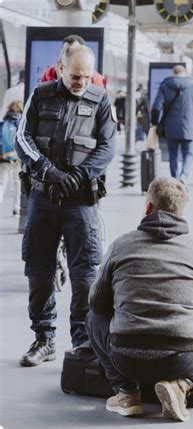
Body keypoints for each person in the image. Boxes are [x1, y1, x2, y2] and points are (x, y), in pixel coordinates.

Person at [87, 176, 193, 422]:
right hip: (182, 359)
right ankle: (183, 385)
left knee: (92, 319)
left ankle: (126, 393)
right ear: (182, 212)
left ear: (148, 208)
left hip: (125, 357)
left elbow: (97, 305)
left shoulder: (121, 246)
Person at [15, 44, 116, 367]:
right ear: (60, 68)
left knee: (85, 276)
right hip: (44, 198)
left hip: (81, 203)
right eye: (75, 76)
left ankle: (82, 343)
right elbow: (22, 138)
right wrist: (48, 171)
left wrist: (78, 176)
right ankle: (44, 339)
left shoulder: (100, 99)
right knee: (39, 273)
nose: (81, 82)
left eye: (87, 76)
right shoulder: (40, 95)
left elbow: (107, 146)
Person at [151, 65, 193, 183]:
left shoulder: (165, 85)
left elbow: (156, 107)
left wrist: (154, 123)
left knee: (173, 155)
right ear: (185, 73)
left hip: (171, 128)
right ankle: (183, 176)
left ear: (173, 73)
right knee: (189, 153)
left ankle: (175, 180)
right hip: (189, 127)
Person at [41, 34, 107, 88]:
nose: (68, 56)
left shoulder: (96, 79)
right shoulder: (49, 73)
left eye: (74, 53)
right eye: (65, 52)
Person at [0, 100, 23, 215]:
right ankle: (16, 208)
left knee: (1, 182)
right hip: (17, 158)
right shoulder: (21, 123)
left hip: (3, 158)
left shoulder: (3, 123)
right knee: (17, 184)